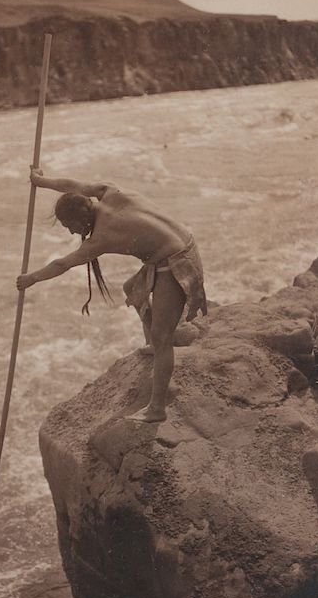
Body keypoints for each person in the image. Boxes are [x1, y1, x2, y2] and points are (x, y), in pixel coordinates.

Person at [17, 167, 207, 422]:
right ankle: (153, 344)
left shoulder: (101, 238)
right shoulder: (108, 191)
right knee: (132, 290)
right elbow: (71, 183)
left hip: (175, 263)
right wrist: (41, 181)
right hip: (184, 243)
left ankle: (157, 408)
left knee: (164, 338)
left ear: (81, 215)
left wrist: (30, 279)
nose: (73, 233)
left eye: (70, 226)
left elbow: (62, 264)